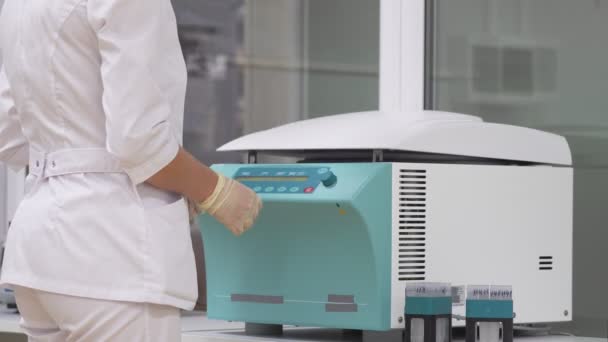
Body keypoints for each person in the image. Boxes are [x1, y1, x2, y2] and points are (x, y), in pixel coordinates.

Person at [0, 0, 262, 340]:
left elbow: (9, 136)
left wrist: (71, 161)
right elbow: (138, 142)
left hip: (37, 253)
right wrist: (214, 191)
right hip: (112, 254)